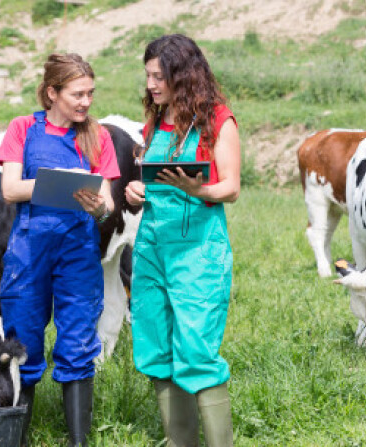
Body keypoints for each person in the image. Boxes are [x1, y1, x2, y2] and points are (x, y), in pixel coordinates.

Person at [0, 53, 120, 446]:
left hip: (78, 251)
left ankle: (78, 442)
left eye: (90, 94)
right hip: (28, 249)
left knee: (78, 341)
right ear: (52, 93)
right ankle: (18, 438)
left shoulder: (98, 136)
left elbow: (109, 203)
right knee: (24, 343)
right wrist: (60, 183)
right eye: (77, 94)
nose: (86, 102)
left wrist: (99, 206)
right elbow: (11, 189)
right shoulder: (22, 128)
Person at [124, 34, 241, 447]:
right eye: (149, 76)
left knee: (196, 350)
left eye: (159, 76)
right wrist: (135, 192)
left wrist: (198, 191)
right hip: (153, 245)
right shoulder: (156, 122)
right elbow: (149, 181)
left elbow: (231, 186)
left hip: (198, 250)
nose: (152, 85)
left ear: (182, 75)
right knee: (156, 346)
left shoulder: (217, 120)